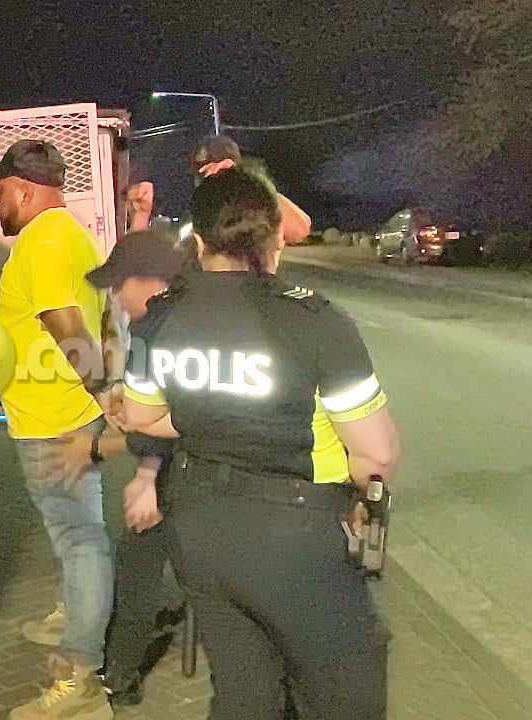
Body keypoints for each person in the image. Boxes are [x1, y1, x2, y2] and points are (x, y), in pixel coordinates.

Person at [119, 168, 400, 719]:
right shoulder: (314, 320)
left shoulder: (161, 318)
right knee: (347, 692)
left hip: (200, 529)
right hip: (297, 538)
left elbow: (141, 416)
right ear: (275, 242)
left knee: (244, 691)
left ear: (200, 244)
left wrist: (212, 414)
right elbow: (377, 455)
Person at [0, 139, 118, 720]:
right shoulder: (72, 235)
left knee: (81, 539)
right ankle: (73, 612)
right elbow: (104, 319)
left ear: (25, 189)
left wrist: (100, 391)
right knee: (75, 532)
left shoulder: (41, 240)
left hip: (53, 420)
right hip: (60, 414)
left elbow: (66, 323)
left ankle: (81, 683)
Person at [82, 230, 193, 706]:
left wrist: (147, 475)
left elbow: (178, 417)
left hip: (185, 469)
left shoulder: (161, 328)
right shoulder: (200, 312)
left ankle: (120, 676)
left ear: (148, 280)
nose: (114, 298)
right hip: (225, 471)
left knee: (139, 562)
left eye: (117, 285)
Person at [191, 134, 312, 246]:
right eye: (206, 177)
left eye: (222, 175)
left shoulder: (257, 206)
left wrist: (252, 182)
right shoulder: (200, 212)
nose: (214, 185)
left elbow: (300, 230)